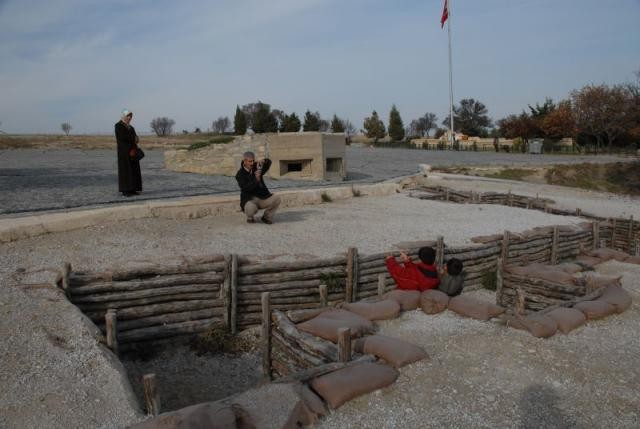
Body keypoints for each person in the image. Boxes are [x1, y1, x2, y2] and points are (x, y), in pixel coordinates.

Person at [235, 151, 281, 224]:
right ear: (245, 161)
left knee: (277, 198)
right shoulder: (240, 174)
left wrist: (264, 161)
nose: (252, 163)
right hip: (250, 199)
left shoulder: (256, 167)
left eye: (253, 160)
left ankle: (266, 217)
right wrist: (256, 180)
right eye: (250, 161)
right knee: (250, 208)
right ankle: (250, 217)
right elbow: (247, 188)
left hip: (262, 198)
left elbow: (268, 164)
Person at [115, 109, 142, 197]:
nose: (129, 118)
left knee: (134, 170)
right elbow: (122, 138)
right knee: (126, 171)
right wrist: (133, 139)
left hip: (133, 151)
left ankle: (133, 189)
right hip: (124, 152)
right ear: (123, 116)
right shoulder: (118, 126)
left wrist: (136, 139)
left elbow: (135, 137)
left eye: (130, 116)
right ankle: (125, 190)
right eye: (128, 116)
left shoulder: (131, 127)